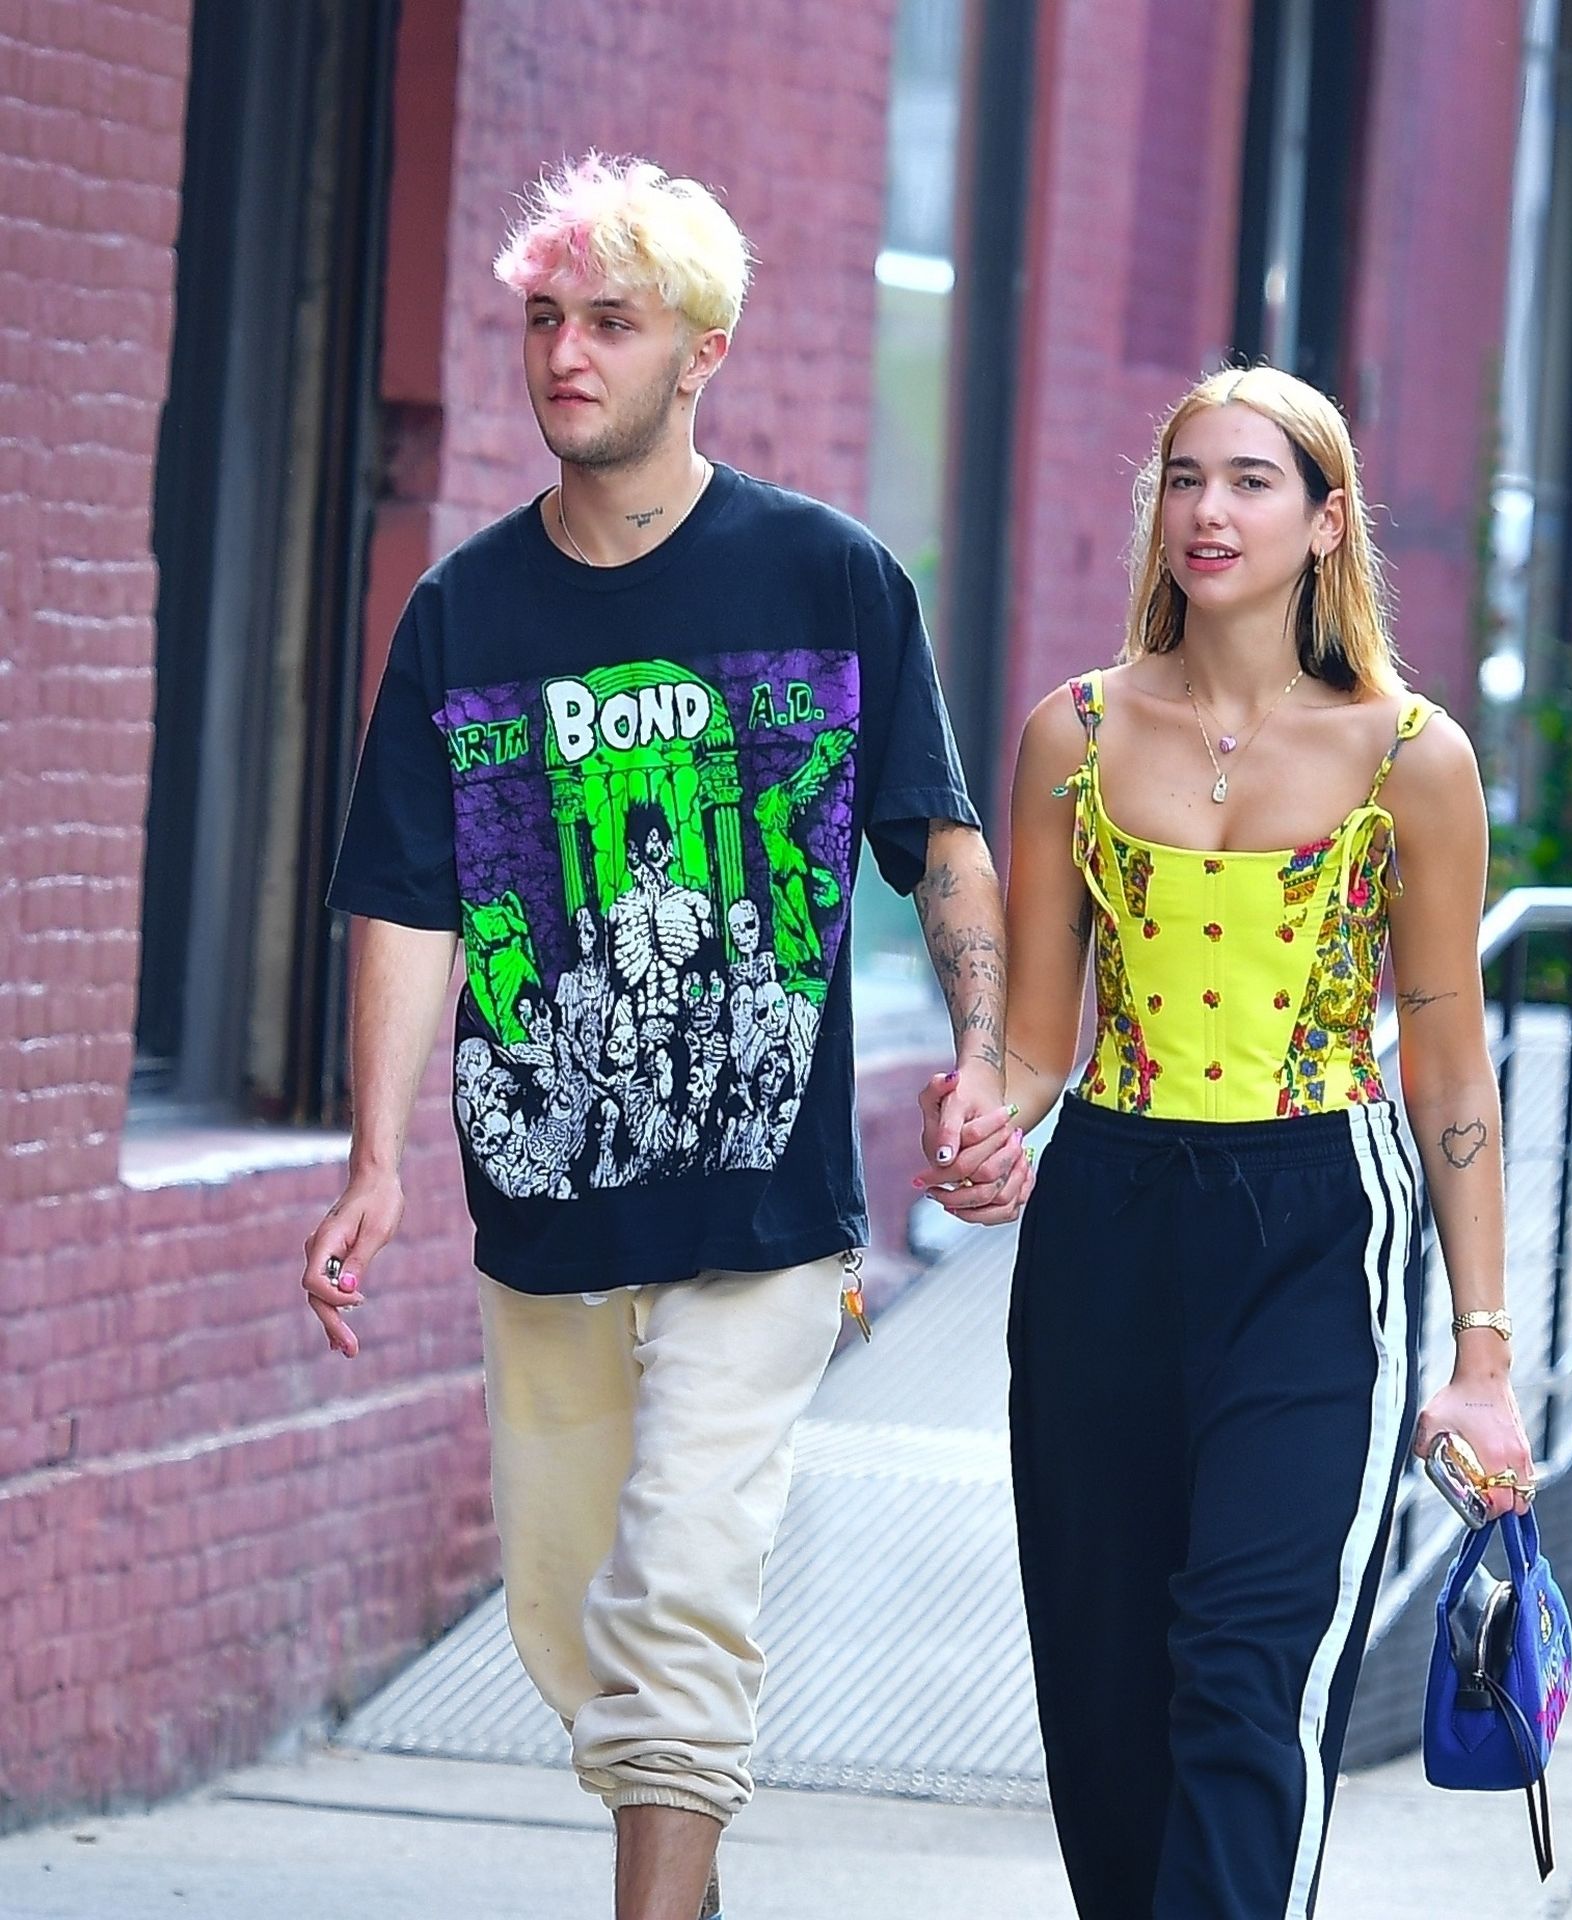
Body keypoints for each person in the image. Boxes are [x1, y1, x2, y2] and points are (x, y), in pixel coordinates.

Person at [301, 153, 1022, 1920]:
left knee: (682, 1584)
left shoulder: (828, 579)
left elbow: (937, 841)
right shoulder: (463, 613)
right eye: (546, 319)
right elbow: (407, 898)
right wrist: (377, 1162)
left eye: (609, 323)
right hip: (545, 1205)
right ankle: (680, 1873)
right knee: (574, 1625)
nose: (566, 354)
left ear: (701, 351)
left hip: (757, 1209)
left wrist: (983, 1060)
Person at [925, 365, 1533, 1918]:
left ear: (1326, 522)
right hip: (1106, 1217)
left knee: (1248, 1667)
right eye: (1184, 479)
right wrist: (985, 1112)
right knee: (1104, 1684)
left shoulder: (1411, 755)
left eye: (1252, 481)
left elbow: (1445, 1054)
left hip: (1317, 1223)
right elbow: (1040, 1039)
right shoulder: (1068, 734)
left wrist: (1480, 1354)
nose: (1208, 510)